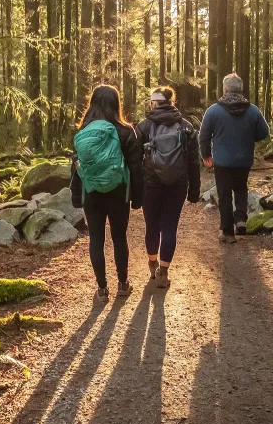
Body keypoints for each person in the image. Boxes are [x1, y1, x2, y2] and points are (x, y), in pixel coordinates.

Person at [70, 85, 144, 302]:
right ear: (116, 104)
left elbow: (76, 167)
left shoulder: (83, 132)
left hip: (91, 193)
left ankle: (102, 289)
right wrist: (138, 197)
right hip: (118, 192)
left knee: (96, 240)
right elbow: (136, 167)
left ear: (92, 103)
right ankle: (123, 284)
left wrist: (76, 197)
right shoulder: (126, 131)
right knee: (119, 237)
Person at [136, 87, 202, 288]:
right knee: (170, 226)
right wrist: (194, 191)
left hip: (150, 184)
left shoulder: (144, 127)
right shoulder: (186, 126)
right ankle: (163, 272)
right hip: (177, 184)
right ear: (172, 102)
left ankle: (152, 262)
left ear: (154, 103)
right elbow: (193, 162)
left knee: (152, 226)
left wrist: (135, 190)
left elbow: (135, 160)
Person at [199, 73, 271, 243]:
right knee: (240, 188)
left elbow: (203, 136)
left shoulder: (213, 111)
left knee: (224, 194)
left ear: (225, 89)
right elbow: (264, 132)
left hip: (222, 161)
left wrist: (206, 155)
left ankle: (227, 232)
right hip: (244, 159)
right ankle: (240, 220)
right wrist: (247, 137)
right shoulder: (253, 110)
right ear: (240, 89)